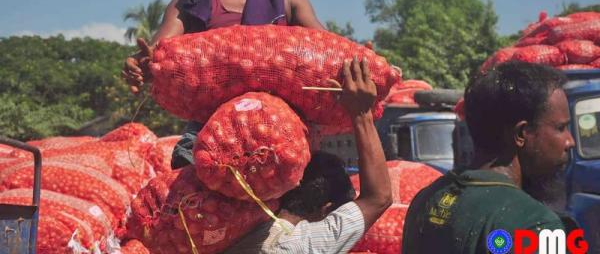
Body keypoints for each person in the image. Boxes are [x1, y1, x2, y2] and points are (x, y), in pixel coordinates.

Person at [121, 0, 325, 167]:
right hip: (208, 133)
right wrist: (141, 65)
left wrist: (360, 62)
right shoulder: (188, 4)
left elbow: (327, 51)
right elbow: (157, 52)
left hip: (279, 133)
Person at [402, 61, 576, 253]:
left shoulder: (427, 199)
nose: (570, 141)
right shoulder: (536, 225)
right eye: (561, 128)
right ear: (521, 134)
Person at [226, 57, 392, 253]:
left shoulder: (241, 230)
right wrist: (362, 114)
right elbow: (378, 198)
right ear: (327, 211)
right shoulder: (297, 245)